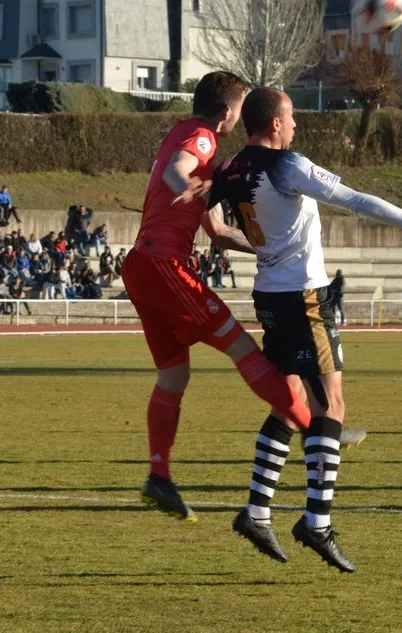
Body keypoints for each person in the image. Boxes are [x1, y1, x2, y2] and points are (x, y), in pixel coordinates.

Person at [208, 87, 402, 572]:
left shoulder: (230, 170)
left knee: (292, 403)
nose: (297, 124)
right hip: (304, 295)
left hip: (269, 295)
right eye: (293, 116)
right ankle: (316, 522)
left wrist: (263, 247)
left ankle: (257, 511)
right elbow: (353, 199)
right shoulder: (288, 166)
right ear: (275, 124)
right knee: (332, 404)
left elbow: (215, 231)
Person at [120, 70, 312, 523]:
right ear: (228, 112)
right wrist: (185, 181)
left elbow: (219, 233)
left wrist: (265, 248)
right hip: (166, 266)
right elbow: (177, 170)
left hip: (143, 266)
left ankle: (159, 477)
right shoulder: (201, 137)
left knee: (173, 377)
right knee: (242, 347)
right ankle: (314, 426)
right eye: (242, 109)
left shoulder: (180, 136)